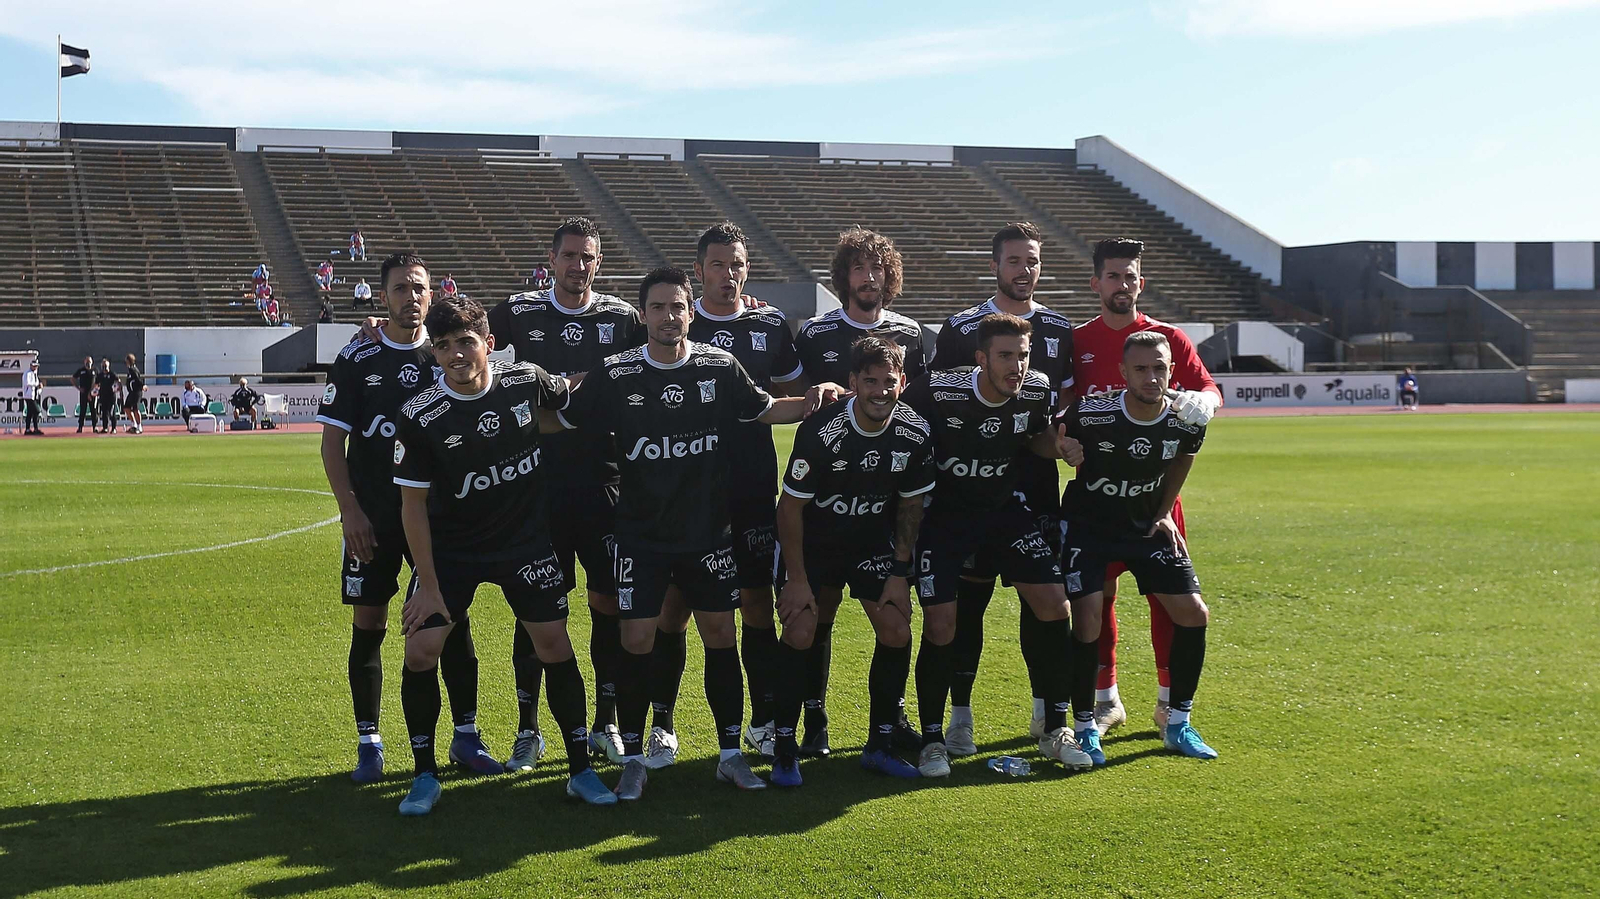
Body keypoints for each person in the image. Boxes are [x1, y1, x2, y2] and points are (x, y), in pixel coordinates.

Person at [555, 266, 839, 801]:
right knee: (637, 640)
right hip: (641, 536)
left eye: (678, 307)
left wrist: (814, 398)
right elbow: (563, 419)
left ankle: (730, 756)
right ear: (644, 315)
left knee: (722, 638)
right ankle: (634, 758)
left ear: (690, 311)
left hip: (709, 534)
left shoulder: (719, 365)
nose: (669, 317)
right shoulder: (616, 374)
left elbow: (763, 409)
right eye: (658, 308)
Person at [391, 294, 617, 814]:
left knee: (555, 646)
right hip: (453, 552)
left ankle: (580, 769)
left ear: (490, 345)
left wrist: (616, 371)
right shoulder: (421, 415)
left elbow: (570, 401)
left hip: (524, 543)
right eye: (443, 346)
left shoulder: (524, 380)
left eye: (466, 343)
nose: (455, 355)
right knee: (420, 651)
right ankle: (424, 777)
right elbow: (412, 507)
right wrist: (426, 585)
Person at [317, 251, 492, 785]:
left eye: (419, 288)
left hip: (435, 520)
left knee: (448, 622)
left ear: (431, 293)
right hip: (372, 520)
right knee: (368, 625)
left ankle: (465, 736)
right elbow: (331, 443)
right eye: (400, 289)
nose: (411, 298)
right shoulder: (358, 356)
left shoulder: (447, 352)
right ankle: (369, 742)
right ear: (383, 294)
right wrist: (350, 514)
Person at [483, 217, 646, 771]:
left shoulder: (622, 318)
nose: (580, 266)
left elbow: (661, 361)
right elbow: (468, 336)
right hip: (534, 490)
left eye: (589, 257)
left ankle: (606, 723)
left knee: (607, 605)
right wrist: (379, 326)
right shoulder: (521, 311)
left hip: (606, 485)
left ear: (599, 263)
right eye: (571, 256)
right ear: (551, 260)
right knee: (536, 612)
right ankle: (528, 730)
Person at [901, 313, 1089, 776]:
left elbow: (1038, 435)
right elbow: (897, 425)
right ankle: (932, 741)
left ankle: (1055, 730)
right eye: (1006, 356)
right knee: (943, 625)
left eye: (1023, 355)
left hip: (1004, 512)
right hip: (944, 518)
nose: (1018, 365)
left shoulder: (1036, 388)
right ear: (981, 357)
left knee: (1054, 605)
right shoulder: (937, 391)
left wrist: (1060, 447)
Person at [931, 222, 1077, 756]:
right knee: (967, 602)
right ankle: (959, 718)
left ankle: (1047, 713)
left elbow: (1054, 415)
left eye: (1032, 261)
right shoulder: (962, 328)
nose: (1024, 270)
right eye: (1014, 261)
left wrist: (1063, 447)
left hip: (1034, 490)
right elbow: (943, 409)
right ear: (995, 265)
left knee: (1041, 597)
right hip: (967, 491)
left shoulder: (1061, 331)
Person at [1070, 237, 1221, 736]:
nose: (1123, 284)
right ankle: (1104, 699)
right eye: (1113, 275)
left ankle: (1167, 703)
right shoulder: (1079, 341)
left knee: (1167, 599)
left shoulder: (1168, 338)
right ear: (1095, 283)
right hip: (1098, 498)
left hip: (1156, 498)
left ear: (1141, 281)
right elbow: (1058, 411)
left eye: (1130, 275)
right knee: (1099, 596)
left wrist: (1206, 402)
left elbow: (1206, 388)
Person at [772, 337, 936, 783]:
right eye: (870, 381)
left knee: (897, 628)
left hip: (869, 543)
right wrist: (798, 580)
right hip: (813, 544)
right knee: (803, 627)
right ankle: (784, 747)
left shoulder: (914, 432)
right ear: (852, 383)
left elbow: (909, 508)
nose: (880, 391)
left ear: (903, 382)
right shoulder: (822, 430)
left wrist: (900, 574)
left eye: (889, 381)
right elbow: (790, 508)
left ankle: (880, 744)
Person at [787, 226, 925, 753]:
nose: (870, 278)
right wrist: (812, 391)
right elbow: (790, 394)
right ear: (843, 276)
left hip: (885, 502)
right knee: (817, 613)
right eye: (860, 269)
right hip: (825, 500)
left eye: (879, 269)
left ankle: (891, 720)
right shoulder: (818, 334)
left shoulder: (911, 333)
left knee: (893, 615)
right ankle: (812, 720)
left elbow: (920, 404)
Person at [680, 222, 803, 762]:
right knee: (675, 608)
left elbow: (789, 391)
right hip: (685, 490)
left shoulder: (769, 323)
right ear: (699, 269)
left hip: (752, 488)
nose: (729, 275)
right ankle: (662, 724)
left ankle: (763, 719)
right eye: (718, 265)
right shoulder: (675, 322)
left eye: (737, 265)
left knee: (756, 604)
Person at [93, 360, 121, 434]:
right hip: (103, 396)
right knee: (104, 413)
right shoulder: (100, 375)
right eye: (103, 366)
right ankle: (105, 428)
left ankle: (114, 428)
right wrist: (94, 392)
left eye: (105, 366)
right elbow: (96, 385)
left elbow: (118, 382)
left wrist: (118, 388)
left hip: (111, 397)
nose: (104, 368)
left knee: (112, 413)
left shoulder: (112, 374)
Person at [122, 354, 145, 434]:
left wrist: (142, 386)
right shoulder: (130, 370)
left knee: (135, 409)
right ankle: (134, 424)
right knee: (126, 407)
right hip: (131, 392)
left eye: (127, 361)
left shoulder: (133, 370)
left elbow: (137, 379)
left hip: (136, 392)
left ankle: (139, 426)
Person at [73, 356, 95, 433]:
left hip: (92, 393)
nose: (88, 363)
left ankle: (94, 427)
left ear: (92, 362)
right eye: (87, 361)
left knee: (93, 410)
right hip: (83, 393)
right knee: (83, 411)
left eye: (89, 362)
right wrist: (78, 388)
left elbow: (98, 381)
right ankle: (80, 427)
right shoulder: (81, 370)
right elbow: (73, 378)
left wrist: (95, 390)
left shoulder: (95, 370)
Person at [22, 359, 43, 435]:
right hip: (28, 396)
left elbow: (37, 383)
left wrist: (40, 387)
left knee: (30, 413)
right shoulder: (27, 373)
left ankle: (30, 429)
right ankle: (34, 428)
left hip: (34, 395)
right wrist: (36, 384)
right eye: (34, 366)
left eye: (36, 366)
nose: (35, 367)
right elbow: (27, 383)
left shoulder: (35, 374)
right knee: (36, 411)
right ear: (31, 365)